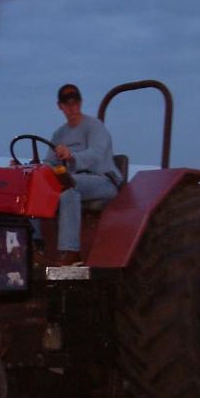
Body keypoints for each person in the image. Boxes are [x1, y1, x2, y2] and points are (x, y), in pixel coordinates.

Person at [41, 84, 122, 265]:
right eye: (67, 104)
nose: (72, 108)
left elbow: (95, 155)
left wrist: (71, 156)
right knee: (37, 189)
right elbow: (49, 163)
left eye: (75, 103)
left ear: (81, 102)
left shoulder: (94, 126)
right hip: (75, 180)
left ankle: (71, 252)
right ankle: (38, 246)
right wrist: (33, 168)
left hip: (103, 180)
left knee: (69, 188)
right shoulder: (60, 134)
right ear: (60, 106)